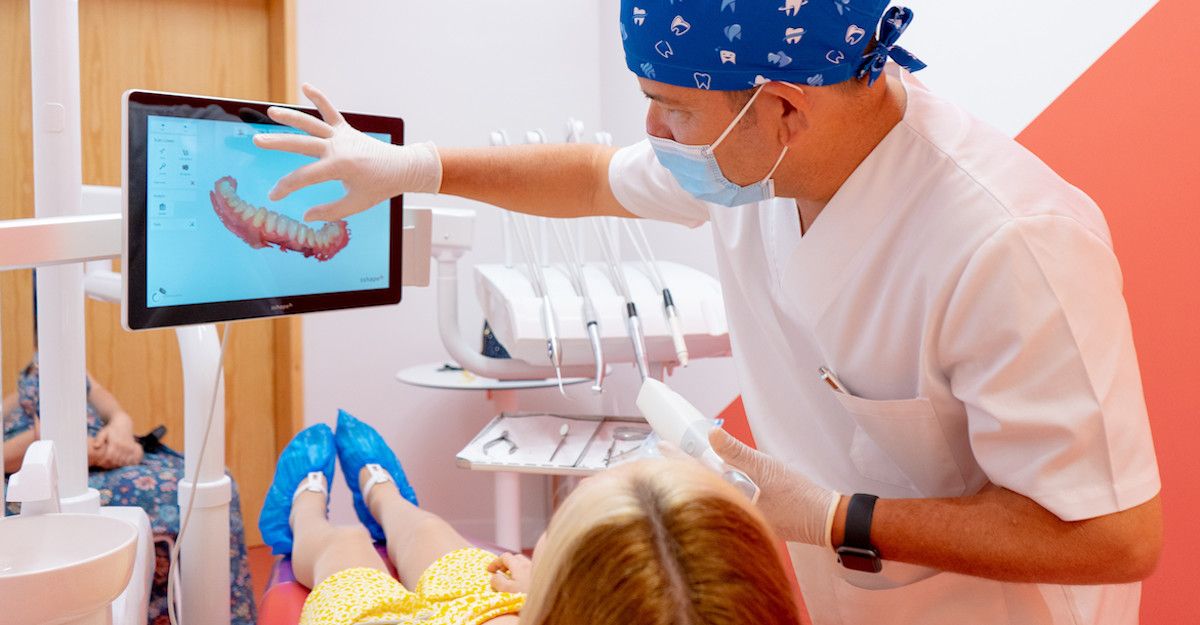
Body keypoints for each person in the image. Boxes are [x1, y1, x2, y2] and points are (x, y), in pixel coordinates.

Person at [252, 2, 1162, 623]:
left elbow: (1115, 535)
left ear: (783, 108)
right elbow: (591, 176)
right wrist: (414, 168)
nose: (652, 135)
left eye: (669, 112)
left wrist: (837, 515)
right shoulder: (752, 162)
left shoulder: (1010, 244)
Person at [260, 410, 801, 625]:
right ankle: (388, 500)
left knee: (346, 553)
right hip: (504, 609)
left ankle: (303, 514)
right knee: (434, 539)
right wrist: (534, 587)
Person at [3, 355, 257, 625]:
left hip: (106, 455)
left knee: (210, 480)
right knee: (169, 494)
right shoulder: (15, 401)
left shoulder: (79, 374)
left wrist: (121, 431)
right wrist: (65, 446)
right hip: (44, 468)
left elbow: (114, 411)